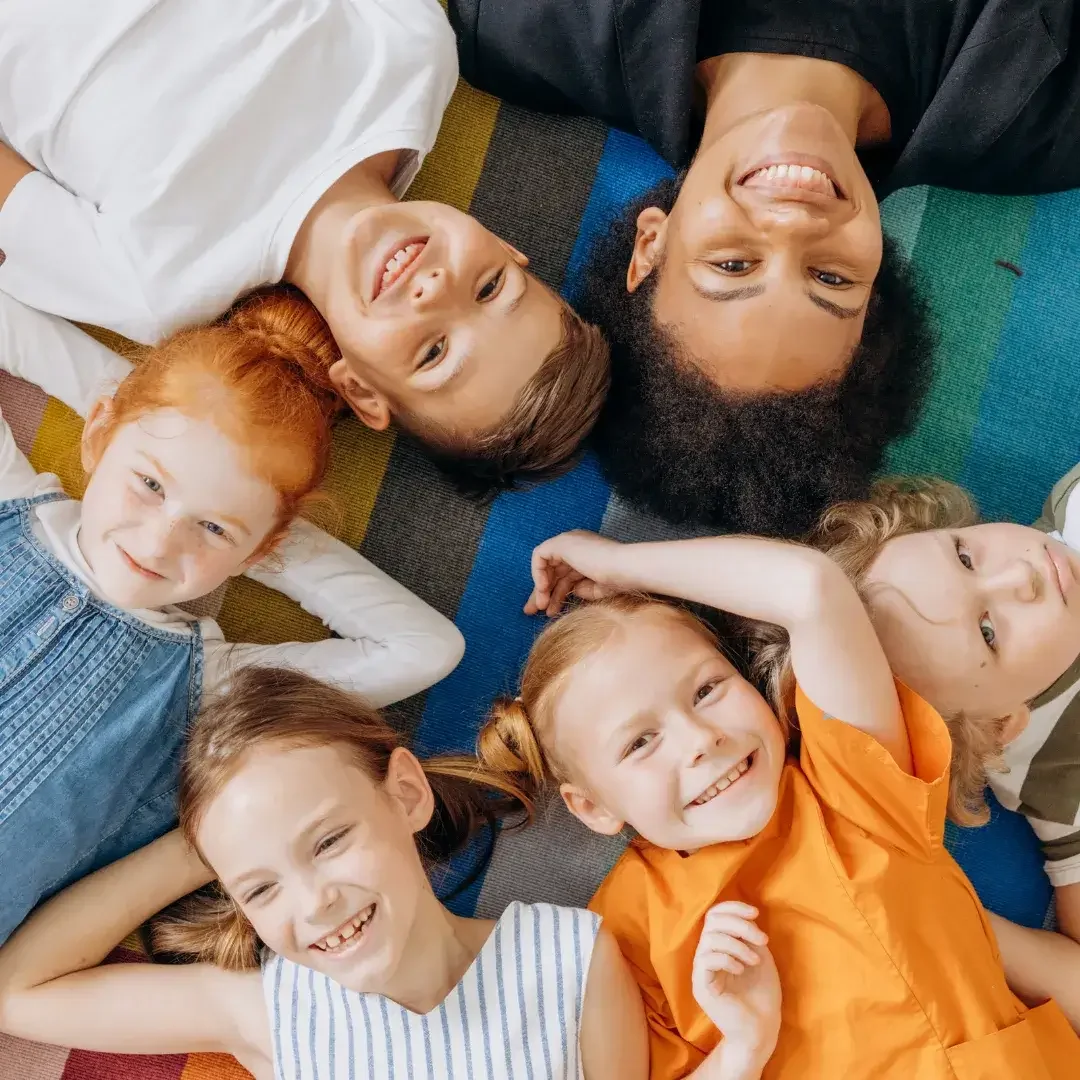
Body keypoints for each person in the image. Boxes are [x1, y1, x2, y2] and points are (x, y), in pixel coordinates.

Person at [448, 0, 1080, 533]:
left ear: (651, 246)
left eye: (731, 265)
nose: (793, 222)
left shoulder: (524, 26)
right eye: (831, 280)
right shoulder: (1049, 120)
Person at [473, 528, 1080, 1077]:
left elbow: (811, 587)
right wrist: (741, 1048)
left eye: (708, 689)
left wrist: (623, 564)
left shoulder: (848, 788)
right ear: (594, 807)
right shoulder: (623, 939)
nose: (700, 740)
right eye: (640, 743)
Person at [0, 289, 464, 946]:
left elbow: (424, 646)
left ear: (261, 550)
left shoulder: (207, 687)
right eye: (150, 484)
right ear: (100, 433)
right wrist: (141, 410)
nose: (160, 544)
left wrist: (265, 529)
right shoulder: (8, 504)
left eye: (212, 528)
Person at [0, 0, 610, 496]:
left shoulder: (155, 291)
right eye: (489, 287)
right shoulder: (414, 53)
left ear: (361, 391)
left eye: (432, 352)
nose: (434, 290)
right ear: (505, 245)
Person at [0, 666, 648, 1080]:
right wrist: (203, 847)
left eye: (329, 841)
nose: (314, 903)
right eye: (260, 887)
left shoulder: (570, 959)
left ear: (405, 794)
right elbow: (18, 990)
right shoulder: (267, 1011)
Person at [773, 475, 1080, 963]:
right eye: (987, 632)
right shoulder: (1048, 773)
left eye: (964, 556)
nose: (1022, 577)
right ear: (1001, 726)